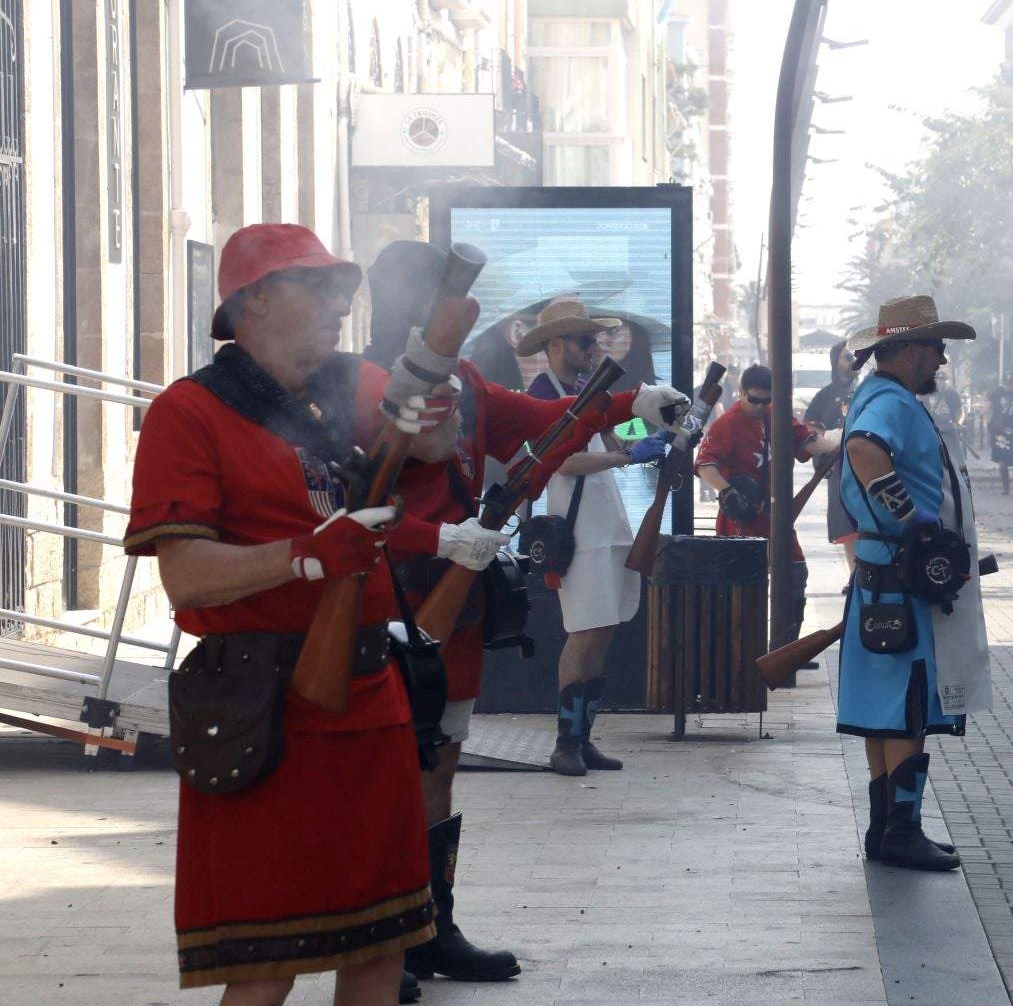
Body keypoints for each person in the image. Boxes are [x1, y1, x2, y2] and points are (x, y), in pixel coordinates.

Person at [124, 224, 452, 999]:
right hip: (264, 707)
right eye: (318, 287)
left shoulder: (350, 381)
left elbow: (437, 451)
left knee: (383, 944)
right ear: (256, 300)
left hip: (370, 698)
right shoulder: (189, 411)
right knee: (267, 962)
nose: (342, 303)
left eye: (342, 286)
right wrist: (302, 555)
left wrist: (440, 406)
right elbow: (187, 578)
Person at [364, 242, 682, 986]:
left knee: (438, 767)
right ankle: (378, 939)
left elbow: (544, 421)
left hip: (458, 604)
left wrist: (629, 403)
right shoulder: (366, 383)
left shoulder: (468, 381)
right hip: (386, 602)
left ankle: (428, 928)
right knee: (382, 777)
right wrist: (434, 534)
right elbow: (357, 502)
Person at [836, 296, 992, 871]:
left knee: (887, 705)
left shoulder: (882, 395)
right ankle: (901, 830)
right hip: (901, 573)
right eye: (936, 347)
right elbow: (862, 450)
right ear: (908, 349)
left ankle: (888, 828)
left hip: (886, 572)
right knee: (906, 703)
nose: (942, 360)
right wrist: (910, 519)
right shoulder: (890, 399)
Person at [519, 298, 659, 777]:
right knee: (583, 633)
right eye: (584, 340)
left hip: (605, 525)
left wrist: (654, 427)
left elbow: (612, 433)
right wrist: (630, 458)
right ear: (555, 344)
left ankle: (582, 737)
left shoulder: (583, 390)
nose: (593, 348)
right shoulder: (541, 395)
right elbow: (564, 461)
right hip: (575, 532)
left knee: (602, 631)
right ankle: (565, 743)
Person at [698, 363, 838, 646]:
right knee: (741, 589)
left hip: (775, 516)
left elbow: (809, 443)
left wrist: (848, 441)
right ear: (741, 393)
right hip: (741, 518)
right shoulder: (727, 424)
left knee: (796, 574)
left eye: (767, 400)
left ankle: (784, 650)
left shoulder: (778, 417)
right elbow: (705, 465)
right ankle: (741, 650)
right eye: (754, 400)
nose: (761, 406)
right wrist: (726, 492)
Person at [803, 340, 862, 573]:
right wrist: (829, 440)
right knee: (846, 522)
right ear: (835, 360)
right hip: (839, 465)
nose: (852, 362)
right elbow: (809, 429)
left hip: (867, 461)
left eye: (855, 358)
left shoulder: (866, 390)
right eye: (847, 357)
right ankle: (854, 574)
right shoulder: (824, 396)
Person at [987, 373, 1013, 494]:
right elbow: (988, 409)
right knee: (1002, 459)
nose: (1007, 385)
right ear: (1002, 382)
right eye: (1006, 383)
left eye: (1010, 383)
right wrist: (989, 428)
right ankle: (1006, 488)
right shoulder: (995, 394)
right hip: (1000, 429)